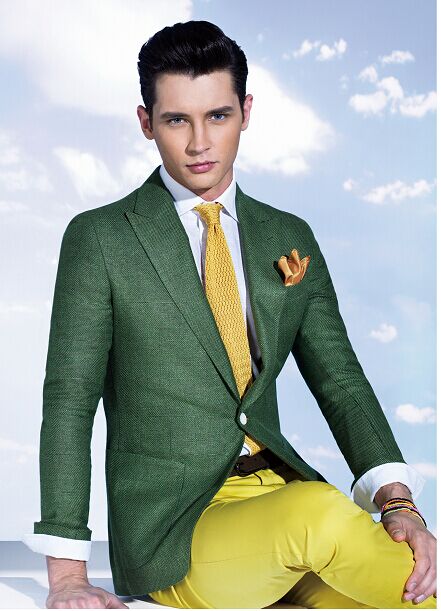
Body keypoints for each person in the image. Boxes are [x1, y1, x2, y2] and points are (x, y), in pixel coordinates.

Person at [22, 19, 436, 610]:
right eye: (176, 120)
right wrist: (66, 576)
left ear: (245, 112)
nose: (199, 143)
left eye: (217, 116)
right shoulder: (102, 239)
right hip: (177, 533)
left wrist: (398, 502)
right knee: (321, 516)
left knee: (405, 587)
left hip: (280, 500)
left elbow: (341, 381)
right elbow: (68, 403)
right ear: (146, 122)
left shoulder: (289, 236)